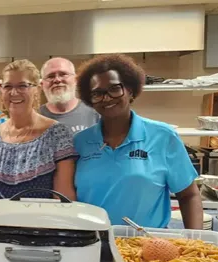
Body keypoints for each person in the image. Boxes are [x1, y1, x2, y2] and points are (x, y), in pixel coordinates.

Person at [0, 59, 78, 255]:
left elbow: (63, 197)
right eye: (8, 86)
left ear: (37, 89)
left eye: (22, 85)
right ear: (1, 91)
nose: (14, 93)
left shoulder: (57, 134)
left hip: (43, 242)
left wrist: (58, 242)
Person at [74, 54, 203, 229]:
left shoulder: (163, 137)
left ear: (131, 91)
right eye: (97, 93)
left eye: (114, 88)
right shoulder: (80, 142)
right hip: (92, 244)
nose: (107, 98)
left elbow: (189, 196)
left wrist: (194, 242)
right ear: (90, 100)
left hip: (148, 247)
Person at [39, 57, 100, 134]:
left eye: (63, 74)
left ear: (76, 79)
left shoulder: (95, 112)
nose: (57, 80)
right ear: (42, 84)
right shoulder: (34, 118)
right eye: (50, 76)